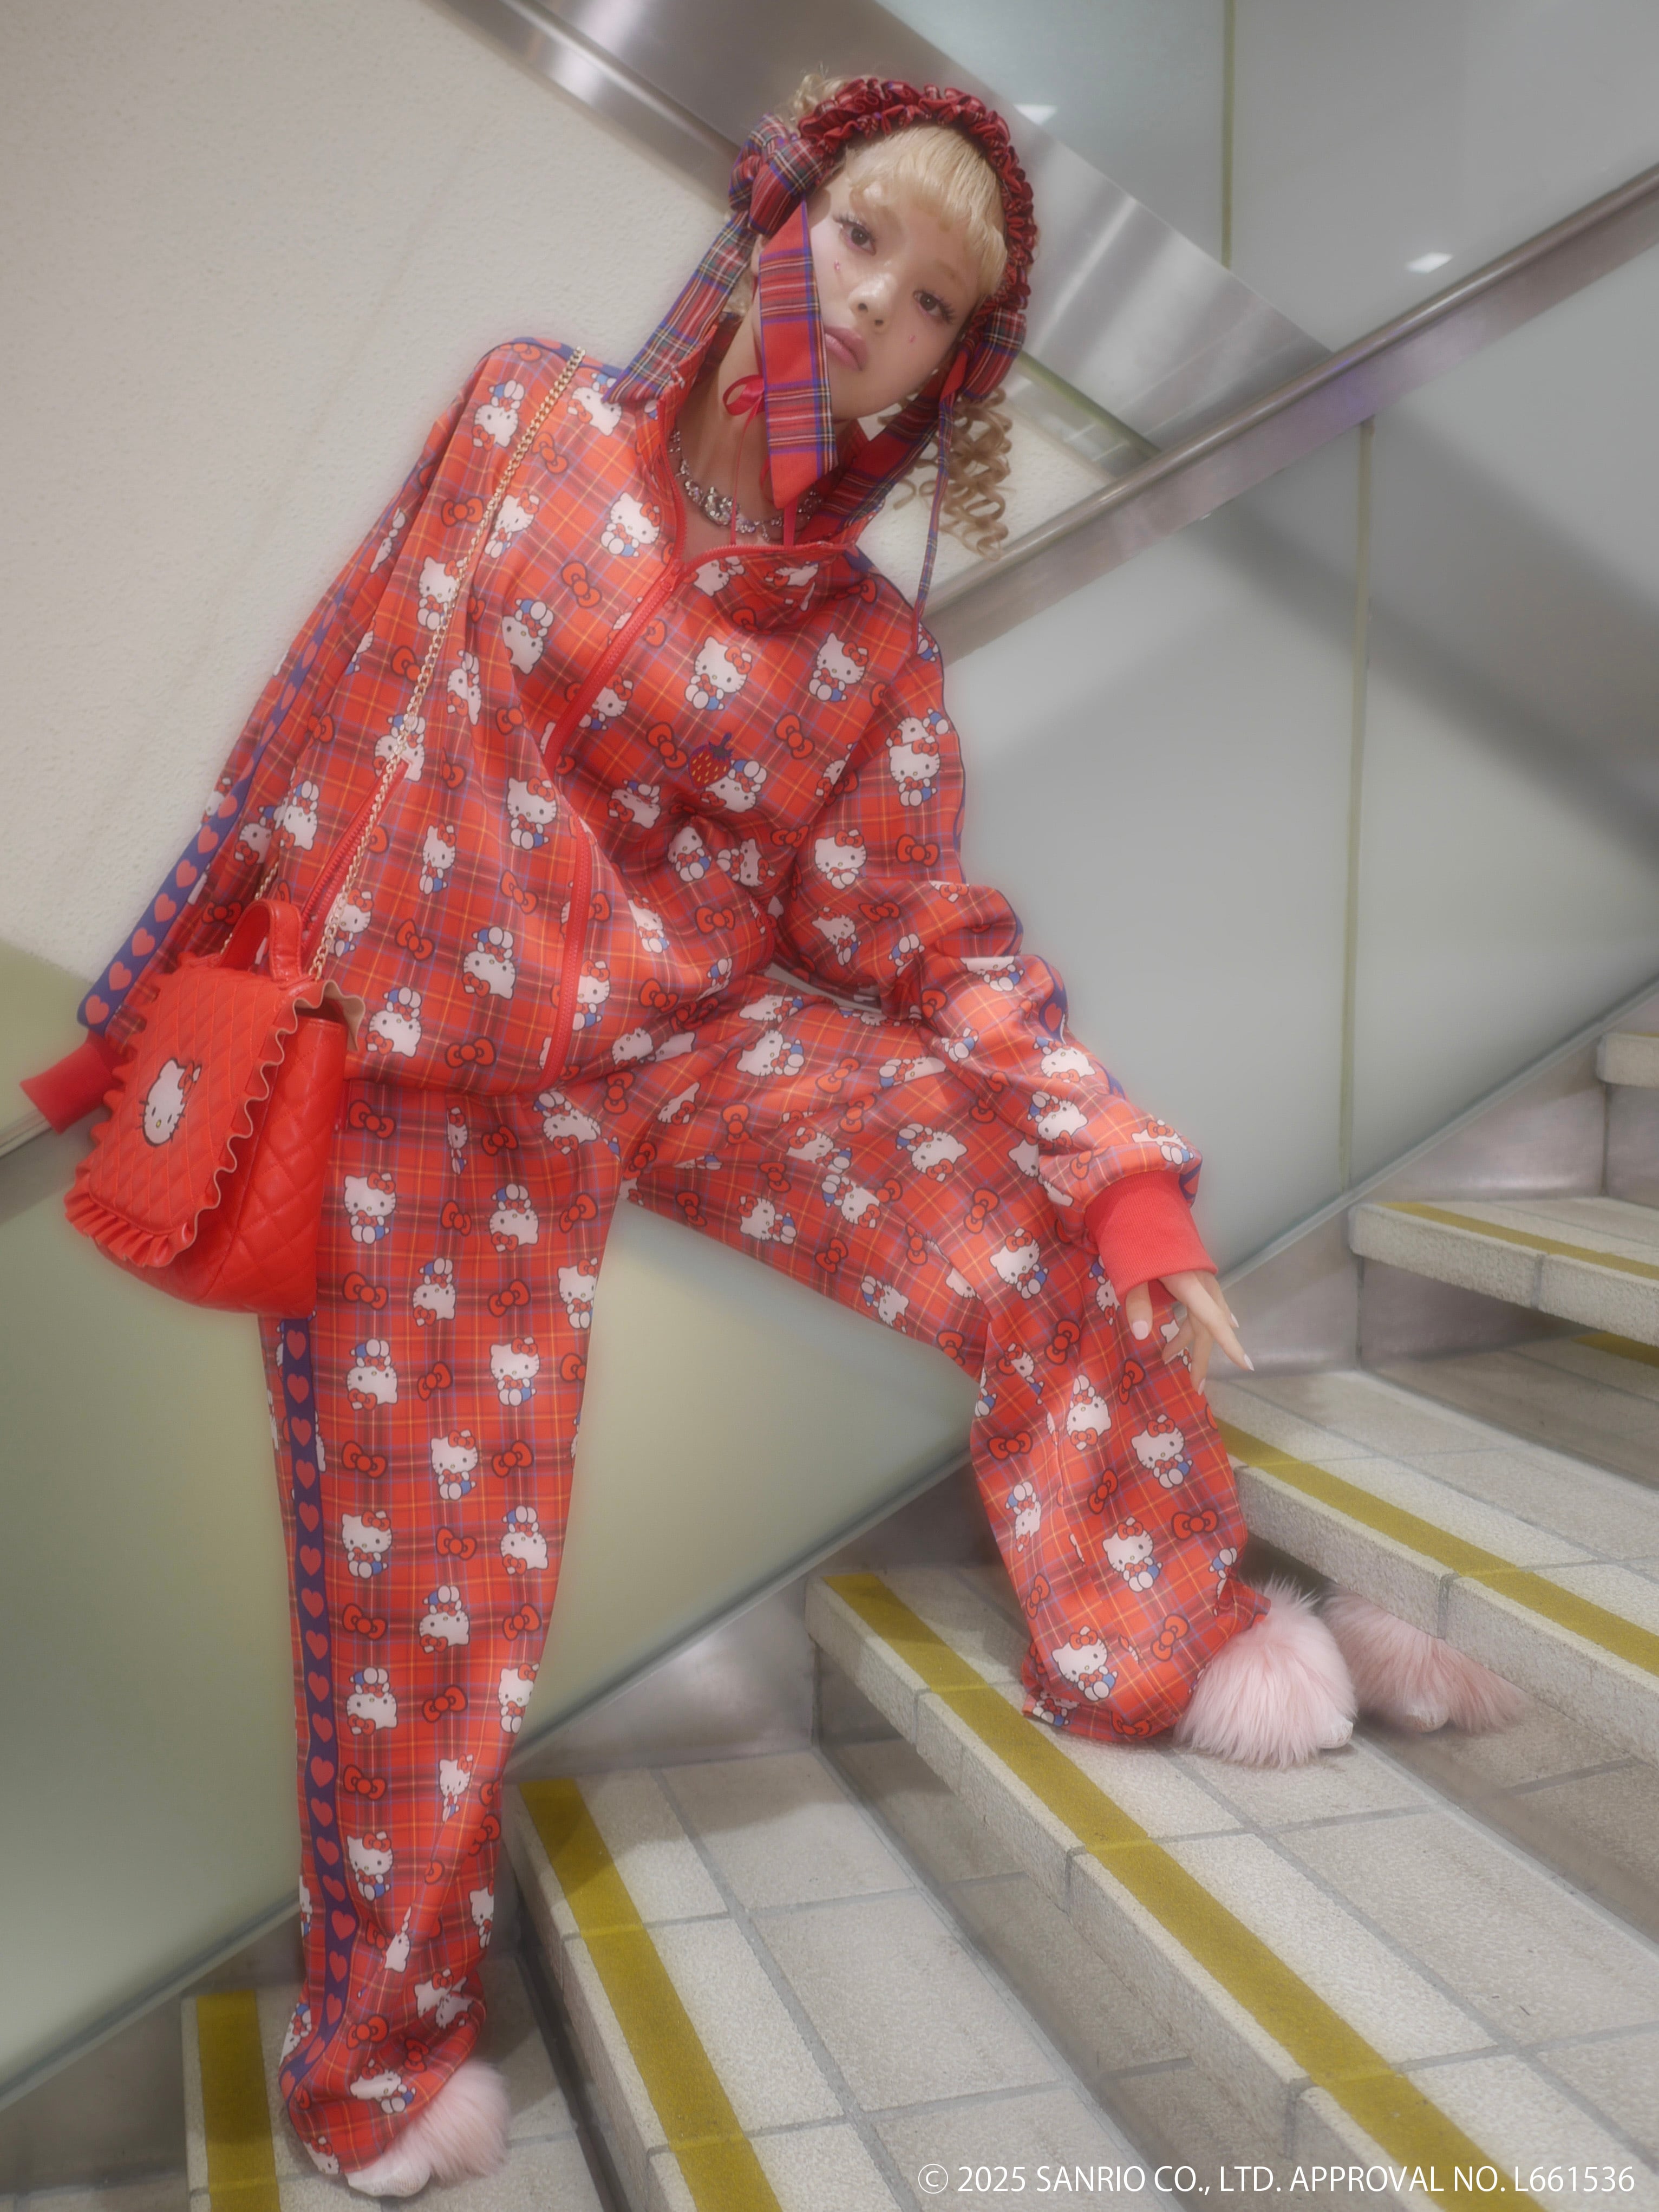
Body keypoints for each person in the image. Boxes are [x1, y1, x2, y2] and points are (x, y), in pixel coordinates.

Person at [24, 72, 1517, 2194]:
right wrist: (138, 1009)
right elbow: (326, 705)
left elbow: (928, 934)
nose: (879, 305)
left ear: (952, 371)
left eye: (935, 302)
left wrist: (1121, 1169)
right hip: (431, 1082)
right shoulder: (526, 419)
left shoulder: (867, 657)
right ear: (776, 225)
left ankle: (1169, 1629)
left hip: (685, 1040)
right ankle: (379, 2060)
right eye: (860, 239)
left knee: (1027, 1189)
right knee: (431, 1594)